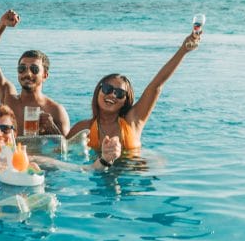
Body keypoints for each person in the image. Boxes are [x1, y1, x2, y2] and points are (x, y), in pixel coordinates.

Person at [67, 32, 202, 154]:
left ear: (125, 101)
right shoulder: (83, 128)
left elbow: (156, 86)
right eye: (108, 89)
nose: (112, 95)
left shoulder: (133, 122)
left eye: (119, 93)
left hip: (132, 173)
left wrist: (183, 50)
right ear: (98, 91)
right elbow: (60, 152)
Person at [0, 104, 119, 173]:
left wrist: (105, 159)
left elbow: (85, 169)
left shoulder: (26, 160)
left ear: (14, 134)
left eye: (5, 129)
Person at [0, 9, 70, 136]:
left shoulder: (55, 111)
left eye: (34, 69)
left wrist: (52, 129)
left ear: (45, 75)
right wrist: (2, 24)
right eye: (22, 68)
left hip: (39, 156)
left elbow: (67, 150)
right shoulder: (8, 98)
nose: (27, 73)